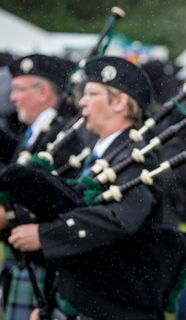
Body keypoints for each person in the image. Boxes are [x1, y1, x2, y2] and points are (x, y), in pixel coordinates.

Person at [0, 56, 174, 320]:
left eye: (92, 93)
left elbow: (119, 221)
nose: (81, 101)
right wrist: (51, 306)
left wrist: (45, 235)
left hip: (117, 308)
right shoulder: (99, 155)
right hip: (80, 301)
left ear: (119, 102)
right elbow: (75, 209)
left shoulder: (138, 158)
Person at [0, 54, 85, 320]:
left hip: (44, 262)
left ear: (44, 91)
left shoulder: (62, 137)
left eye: (19, 89)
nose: (13, 97)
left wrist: (9, 215)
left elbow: (61, 199)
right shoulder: (34, 132)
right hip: (25, 258)